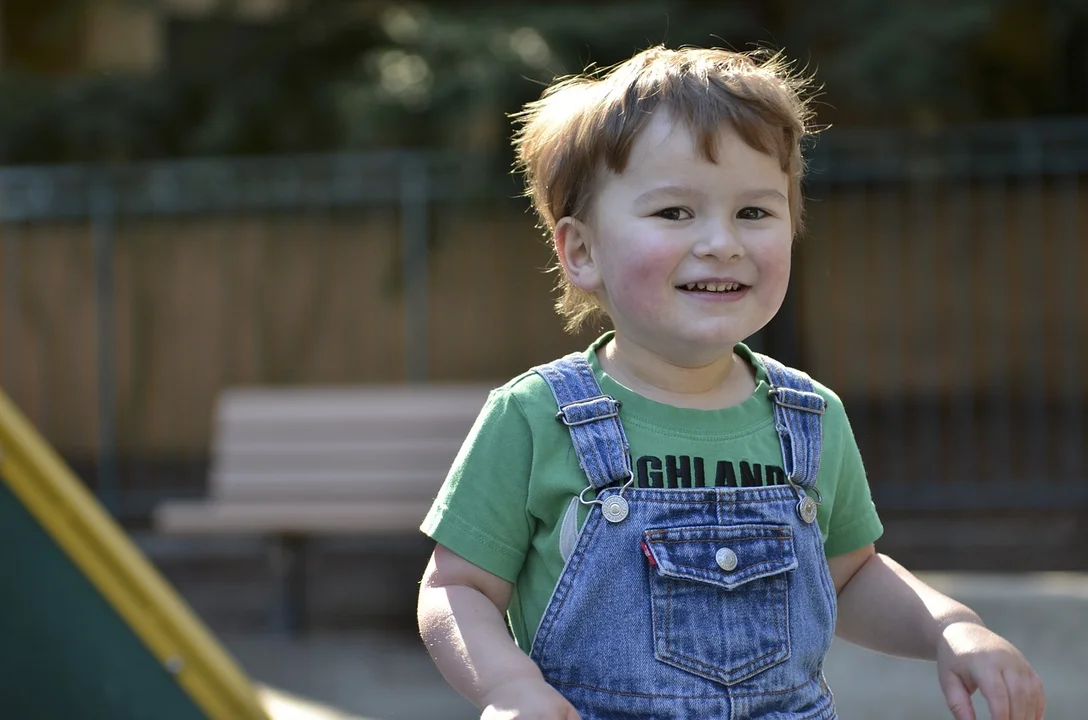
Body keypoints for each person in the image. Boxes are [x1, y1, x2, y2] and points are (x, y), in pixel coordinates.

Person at [416, 45, 1046, 720]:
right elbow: (457, 590)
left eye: (754, 213)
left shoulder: (808, 416)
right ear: (582, 252)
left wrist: (952, 628)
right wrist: (509, 688)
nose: (722, 242)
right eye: (674, 213)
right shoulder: (537, 416)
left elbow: (853, 575)